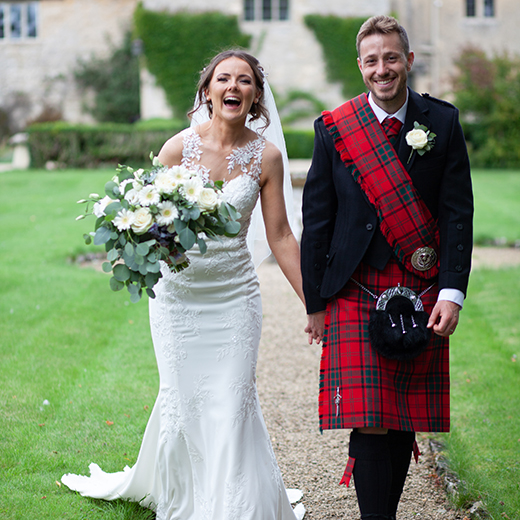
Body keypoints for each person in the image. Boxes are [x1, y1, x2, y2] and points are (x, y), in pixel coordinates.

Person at [62, 49, 305, 520]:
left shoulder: (267, 157)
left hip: (235, 297)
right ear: (208, 90)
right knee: (184, 398)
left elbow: (279, 236)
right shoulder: (177, 149)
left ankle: (233, 506)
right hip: (178, 301)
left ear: (256, 97)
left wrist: (311, 303)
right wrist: (141, 248)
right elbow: (149, 224)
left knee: (232, 398)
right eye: (223, 79)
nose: (233, 87)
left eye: (245, 81)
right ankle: (186, 498)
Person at [301, 15, 473, 520]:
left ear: (409, 61)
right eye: (372, 60)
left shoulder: (441, 122)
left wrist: (451, 292)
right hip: (356, 285)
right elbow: (318, 220)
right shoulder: (335, 128)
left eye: (391, 58)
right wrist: (316, 301)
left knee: (400, 415)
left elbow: (456, 214)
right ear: (360, 66)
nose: (383, 69)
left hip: (419, 285)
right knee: (370, 414)